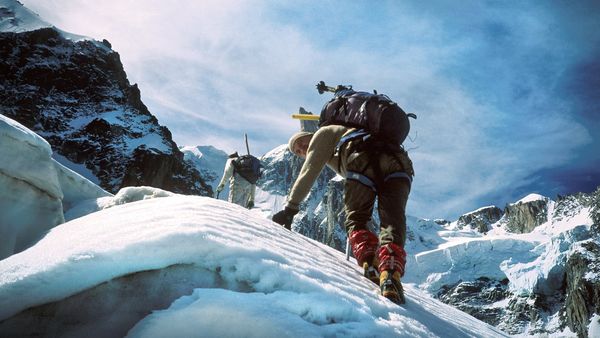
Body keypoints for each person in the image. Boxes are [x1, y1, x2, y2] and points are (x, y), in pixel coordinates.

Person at [272, 125, 414, 304]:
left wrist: (290, 208)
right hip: (400, 165)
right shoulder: (353, 131)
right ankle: (390, 273)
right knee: (392, 222)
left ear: (311, 135)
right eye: (297, 151)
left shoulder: (322, 135)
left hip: (363, 159)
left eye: (301, 143)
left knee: (356, 218)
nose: (302, 149)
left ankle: (370, 263)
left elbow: (309, 171)